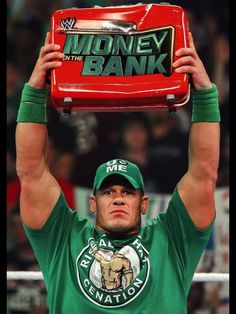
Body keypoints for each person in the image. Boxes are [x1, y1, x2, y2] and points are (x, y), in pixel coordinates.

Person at [15, 30, 220, 313]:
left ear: (144, 202)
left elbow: (204, 175)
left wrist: (206, 94)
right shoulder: (64, 237)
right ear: (92, 202)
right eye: (108, 191)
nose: (119, 198)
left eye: (127, 191)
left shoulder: (170, 240)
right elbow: (31, 174)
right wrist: (33, 95)